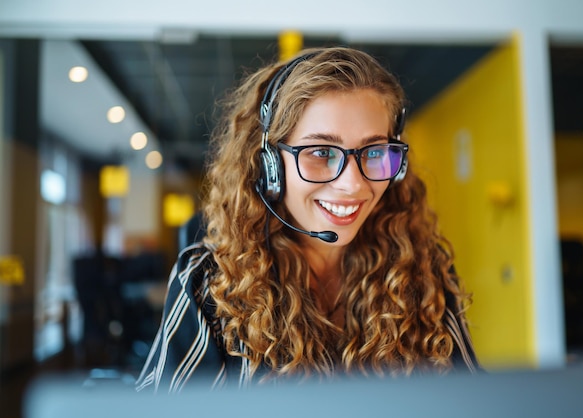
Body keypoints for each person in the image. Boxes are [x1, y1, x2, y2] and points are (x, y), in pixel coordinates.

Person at [136, 46, 480, 393]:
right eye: (321, 153)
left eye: (374, 152)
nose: (353, 184)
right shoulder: (208, 281)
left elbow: (470, 401)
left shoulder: (423, 267)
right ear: (270, 166)